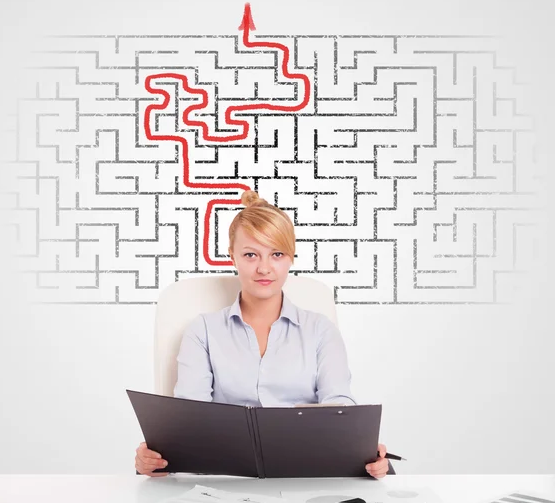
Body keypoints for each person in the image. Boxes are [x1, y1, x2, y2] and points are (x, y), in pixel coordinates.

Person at [135, 190, 391, 479]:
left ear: (291, 257)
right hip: (224, 481)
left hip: (304, 475)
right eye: (250, 254)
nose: (264, 268)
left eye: (277, 254)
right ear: (232, 256)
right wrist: (157, 459)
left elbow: (340, 409)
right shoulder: (203, 331)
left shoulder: (320, 330)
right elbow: (189, 422)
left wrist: (363, 451)